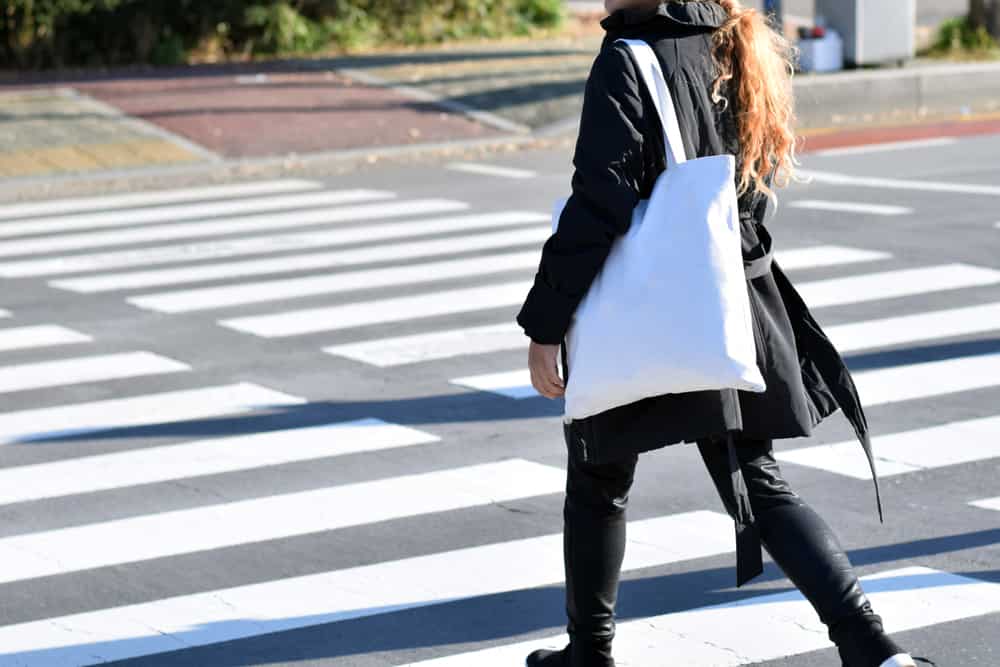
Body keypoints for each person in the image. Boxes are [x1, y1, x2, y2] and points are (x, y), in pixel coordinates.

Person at [515, 2, 936, 666]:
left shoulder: (629, 58)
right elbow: (752, 183)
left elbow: (601, 199)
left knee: (598, 473)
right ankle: (872, 645)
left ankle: (589, 653)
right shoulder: (727, 38)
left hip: (657, 302)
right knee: (756, 477)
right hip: (728, 297)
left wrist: (546, 321)